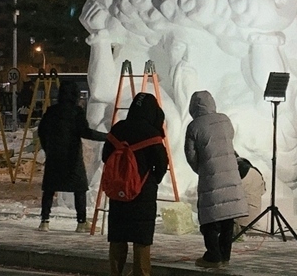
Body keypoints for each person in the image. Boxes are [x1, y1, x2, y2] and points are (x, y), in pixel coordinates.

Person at [102, 92, 168, 276]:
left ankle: (115, 272)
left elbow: (105, 156)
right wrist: (152, 179)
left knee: (118, 237)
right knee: (141, 239)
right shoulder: (152, 134)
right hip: (143, 192)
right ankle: (141, 273)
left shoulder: (118, 129)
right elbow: (161, 163)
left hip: (119, 191)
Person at [184, 90, 248, 268]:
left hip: (210, 176)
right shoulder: (225, 120)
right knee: (227, 216)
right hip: (231, 173)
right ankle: (225, 255)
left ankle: (213, 256)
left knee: (209, 218)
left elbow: (191, 155)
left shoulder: (194, 126)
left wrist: (201, 169)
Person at [37, 81, 107, 232]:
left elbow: (41, 131)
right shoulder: (76, 112)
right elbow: (85, 132)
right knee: (79, 188)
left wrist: (48, 148)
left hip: (54, 156)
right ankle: (81, 222)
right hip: (72, 156)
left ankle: (44, 221)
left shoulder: (51, 111)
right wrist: (107, 137)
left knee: (49, 188)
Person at [234, 153, 266, 233]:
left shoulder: (234, 171)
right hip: (255, 217)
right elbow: (263, 191)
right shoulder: (256, 171)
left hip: (239, 218)